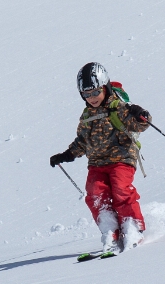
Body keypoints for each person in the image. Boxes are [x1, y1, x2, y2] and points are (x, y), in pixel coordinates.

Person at [49, 62, 152, 253]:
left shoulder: (118, 107)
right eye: (86, 95)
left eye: (95, 92)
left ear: (105, 87)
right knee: (95, 194)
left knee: (121, 190)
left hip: (121, 159)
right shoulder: (87, 115)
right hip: (96, 163)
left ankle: (132, 228)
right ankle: (110, 230)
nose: (92, 98)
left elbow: (138, 125)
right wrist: (67, 154)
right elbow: (82, 141)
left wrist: (140, 115)